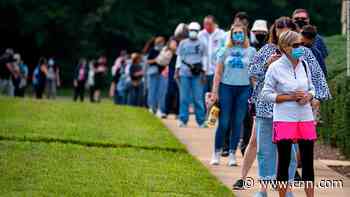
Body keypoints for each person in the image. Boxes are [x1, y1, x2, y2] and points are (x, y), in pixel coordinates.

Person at [247, 16, 331, 196]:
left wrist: (312, 96)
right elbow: (253, 75)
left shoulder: (305, 56)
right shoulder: (267, 51)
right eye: (279, 28)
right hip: (269, 108)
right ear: (275, 32)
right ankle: (264, 188)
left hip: (300, 114)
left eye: (288, 28)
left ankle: (289, 188)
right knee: (265, 151)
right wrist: (266, 65)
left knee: (293, 156)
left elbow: (317, 81)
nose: (283, 31)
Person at [262, 30, 317, 197]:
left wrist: (309, 96)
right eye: (296, 45)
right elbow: (265, 94)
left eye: (302, 44)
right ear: (285, 47)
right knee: (284, 162)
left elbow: (312, 88)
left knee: (308, 162)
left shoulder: (304, 64)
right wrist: (289, 97)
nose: (301, 48)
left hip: (305, 117)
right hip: (285, 118)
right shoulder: (275, 67)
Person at [209, 22, 256, 166]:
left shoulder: (251, 51)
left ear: (245, 34)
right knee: (223, 122)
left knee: (237, 122)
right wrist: (214, 92)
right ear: (231, 34)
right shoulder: (224, 50)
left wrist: (255, 93)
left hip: (244, 89)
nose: (238, 35)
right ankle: (216, 152)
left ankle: (232, 154)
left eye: (240, 32)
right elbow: (218, 73)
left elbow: (253, 75)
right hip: (226, 88)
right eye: (235, 33)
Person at [175, 22, 207, 128]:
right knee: (184, 98)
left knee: (198, 98)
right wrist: (177, 71)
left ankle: (201, 121)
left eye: (195, 31)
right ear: (188, 31)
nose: (193, 32)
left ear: (198, 32)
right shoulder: (183, 43)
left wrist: (204, 72)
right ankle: (183, 120)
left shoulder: (202, 44)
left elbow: (204, 58)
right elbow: (179, 57)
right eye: (191, 30)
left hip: (197, 74)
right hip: (184, 73)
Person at [198, 15, 226, 95]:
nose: (206, 26)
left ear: (214, 24)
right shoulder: (200, 35)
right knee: (203, 95)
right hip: (203, 71)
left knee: (215, 95)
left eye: (209, 24)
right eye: (205, 24)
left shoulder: (221, 34)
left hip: (216, 70)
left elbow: (224, 50)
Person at [146, 36, 166, 114]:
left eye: (162, 42)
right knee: (152, 91)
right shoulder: (153, 50)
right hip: (153, 72)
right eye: (159, 42)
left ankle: (160, 109)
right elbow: (148, 61)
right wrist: (156, 60)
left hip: (162, 73)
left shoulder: (164, 51)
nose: (161, 44)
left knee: (161, 91)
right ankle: (151, 107)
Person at [165, 38, 180, 116]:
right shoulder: (168, 51)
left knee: (179, 91)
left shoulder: (182, 45)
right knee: (170, 90)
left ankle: (177, 112)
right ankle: (166, 111)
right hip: (172, 69)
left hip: (180, 69)